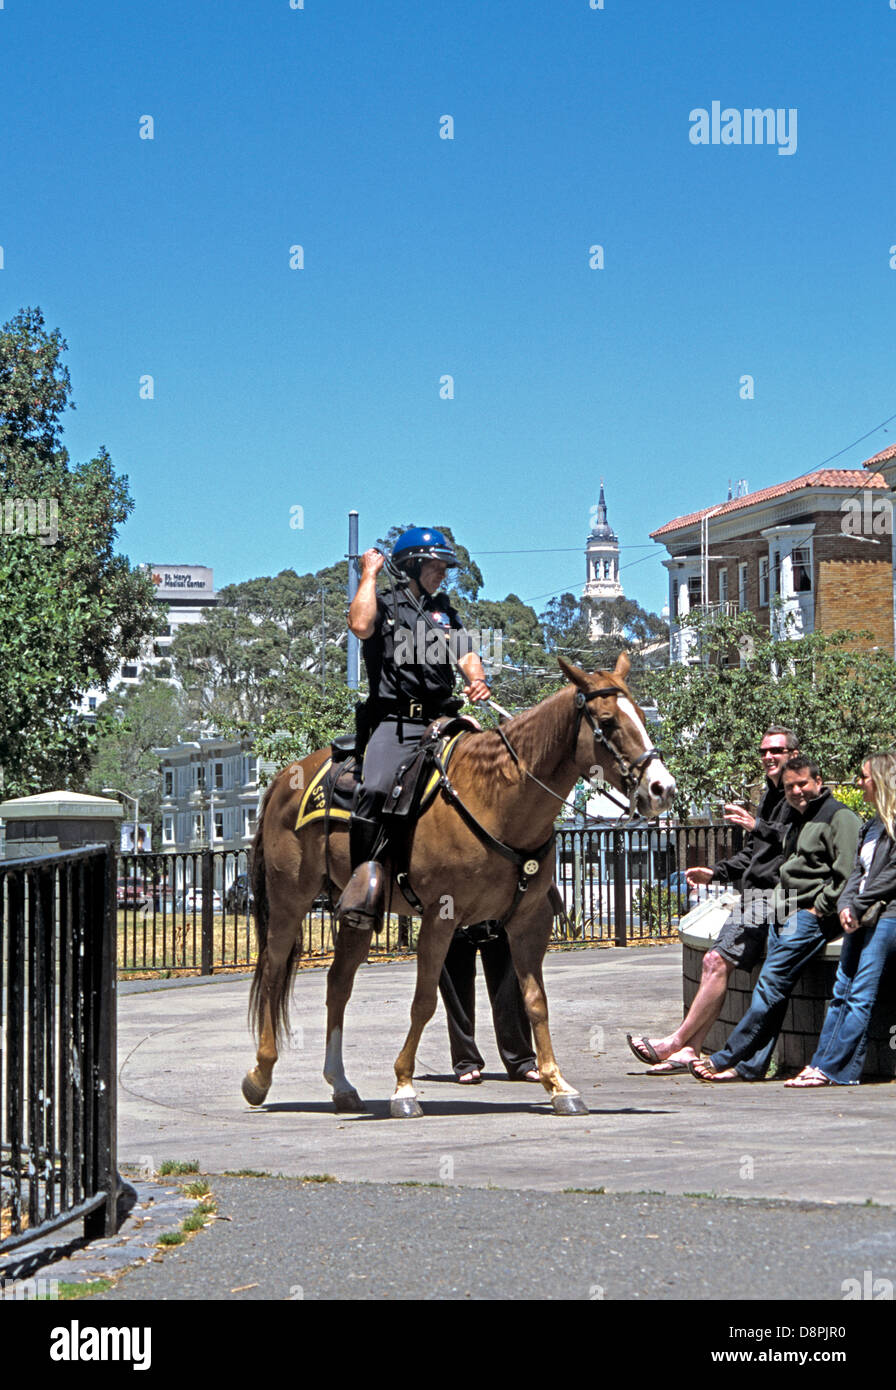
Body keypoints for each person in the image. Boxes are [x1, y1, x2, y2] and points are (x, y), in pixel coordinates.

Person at [336, 527, 491, 930]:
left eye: (444, 566)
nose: (442, 573)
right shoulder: (384, 605)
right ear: (412, 565)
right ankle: (363, 883)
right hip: (395, 722)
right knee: (374, 788)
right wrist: (368, 574)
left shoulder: (444, 614)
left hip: (442, 718)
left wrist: (476, 678)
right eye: (435, 566)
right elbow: (359, 626)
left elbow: (467, 653)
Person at [626, 726, 798, 1073]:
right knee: (713, 963)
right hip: (754, 895)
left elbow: (799, 841)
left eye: (776, 750)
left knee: (716, 961)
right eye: (764, 751)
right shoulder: (769, 796)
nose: (768, 756)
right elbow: (754, 853)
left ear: (793, 754)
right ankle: (688, 1049)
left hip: (777, 898)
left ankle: (675, 1043)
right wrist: (715, 873)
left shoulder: (799, 793)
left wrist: (757, 826)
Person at [690, 755, 861, 1082]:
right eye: (789, 787)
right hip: (785, 911)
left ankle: (726, 1057)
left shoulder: (840, 818)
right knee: (776, 993)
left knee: (768, 987)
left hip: (810, 916)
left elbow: (849, 874)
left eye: (802, 784)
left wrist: (819, 907)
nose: (796, 791)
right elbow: (778, 851)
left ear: (818, 782)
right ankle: (750, 1067)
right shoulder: (800, 819)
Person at [786, 752, 896, 1087]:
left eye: (863, 777)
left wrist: (858, 904)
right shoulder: (872, 825)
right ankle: (825, 1064)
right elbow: (855, 871)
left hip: (886, 916)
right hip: (859, 914)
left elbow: (891, 875)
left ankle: (832, 1069)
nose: (858, 783)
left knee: (861, 991)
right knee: (842, 989)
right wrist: (847, 904)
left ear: (880, 780)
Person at [438, 924, 540, 1084]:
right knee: (457, 994)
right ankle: (466, 1061)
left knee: (510, 994)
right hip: (452, 914)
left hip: (498, 916)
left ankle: (521, 1060)